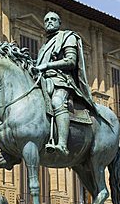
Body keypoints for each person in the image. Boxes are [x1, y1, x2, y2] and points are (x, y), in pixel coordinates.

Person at [36, 11, 95, 156]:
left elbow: (70, 61)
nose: (49, 21)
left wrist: (48, 65)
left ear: (59, 23)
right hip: (43, 81)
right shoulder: (44, 46)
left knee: (57, 102)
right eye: (46, 20)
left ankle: (62, 144)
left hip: (61, 81)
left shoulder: (67, 37)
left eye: (53, 19)